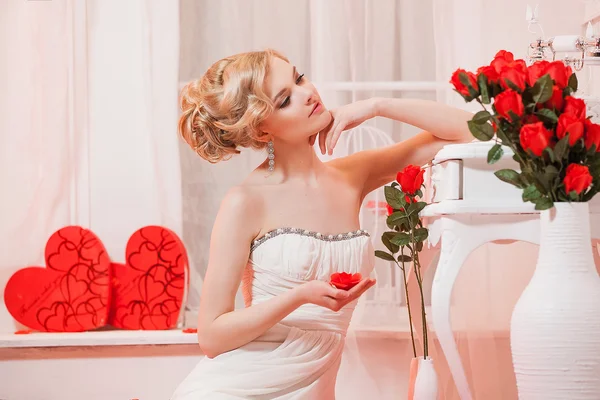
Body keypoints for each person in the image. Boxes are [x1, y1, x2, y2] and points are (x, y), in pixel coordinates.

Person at [171, 49, 473, 399]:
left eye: (299, 78)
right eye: (285, 100)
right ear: (261, 129)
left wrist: (376, 105)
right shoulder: (245, 201)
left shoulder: (352, 176)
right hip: (239, 386)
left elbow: (470, 132)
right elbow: (211, 336)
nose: (307, 93)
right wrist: (299, 296)